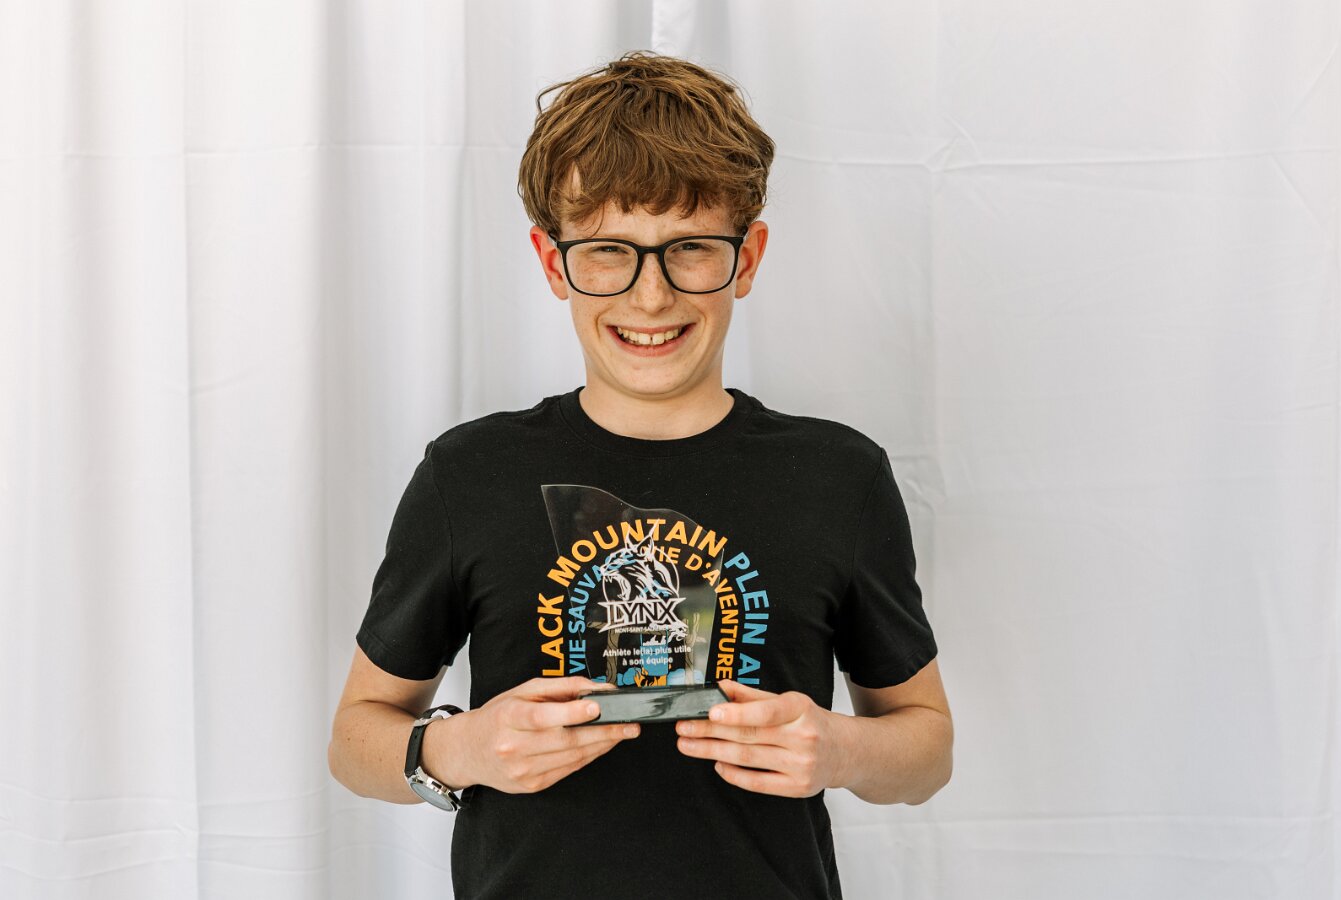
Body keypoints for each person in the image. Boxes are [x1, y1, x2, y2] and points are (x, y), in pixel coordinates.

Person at [328, 50, 953, 899]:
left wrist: (841, 749)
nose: (650, 296)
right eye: (607, 251)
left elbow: (926, 750)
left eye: (690, 248)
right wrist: (459, 747)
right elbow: (353, 741)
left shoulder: (839, 477)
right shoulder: (467, 474)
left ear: (748, 257)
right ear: (554, 263)